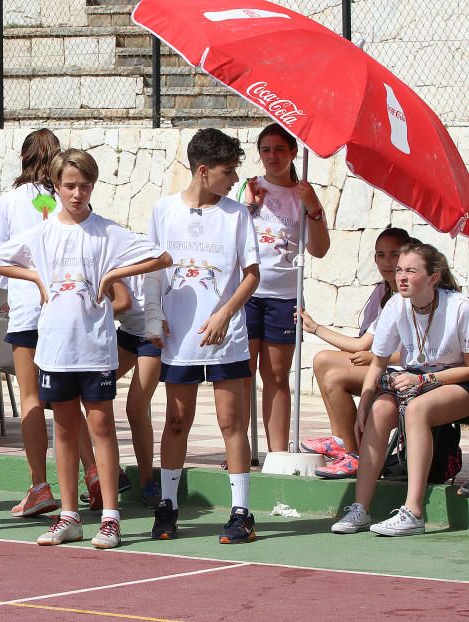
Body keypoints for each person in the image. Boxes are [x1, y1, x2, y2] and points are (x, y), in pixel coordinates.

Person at [0, 148, 170, 549]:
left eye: (84, 186)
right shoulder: (42, 232)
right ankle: (69, 515)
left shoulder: (107, 231)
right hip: (54, 348)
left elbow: (161, 256)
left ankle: (110, 518)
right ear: (55, 186)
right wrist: (34, 276)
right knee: (65, 429)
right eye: (69, 186)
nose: (76, 193)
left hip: (96, 347)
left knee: (101, 425)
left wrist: (115, 273)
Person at [144, 128, 260, 544]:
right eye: (229, 171)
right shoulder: (163, 211)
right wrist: (153, 316)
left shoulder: (237, 214)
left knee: (232, 422)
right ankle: (169, 505)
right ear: (204, 170)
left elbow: (251, 275)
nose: (234, 180)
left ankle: (242, 511)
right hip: (179, 339)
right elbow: (154, 269)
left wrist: (225, 313)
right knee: (177, 420)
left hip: (226, 337)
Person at [331, 244, 469, 536]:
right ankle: (360, 509)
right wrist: (364, 405)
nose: (402, 277)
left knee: (418, 409)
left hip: (456, 381)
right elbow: (377, 364)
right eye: (399, 271)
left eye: (411, 270)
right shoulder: (395, 304)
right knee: (380, 409)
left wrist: (425, 380)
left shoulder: (459, 307)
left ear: (433, 278)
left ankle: (413, 512)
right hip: (414, 379)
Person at [0, 128, 65, 517]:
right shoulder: (69, 195)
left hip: (27, 310)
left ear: (22, 158)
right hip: (65, 308)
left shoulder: (10, 201)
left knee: (31, 399)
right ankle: (98, 478)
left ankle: (39, 485)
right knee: (71, 399)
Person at [239, 123, 330, 453]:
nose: (272, 156)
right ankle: (239, 449)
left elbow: (319, 249)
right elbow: (234, 237)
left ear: (293, 152)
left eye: (280, 149)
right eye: (266, 150)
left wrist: (314, 208)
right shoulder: (249, 188)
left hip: (284, 296)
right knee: (241, 374)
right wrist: (248, 205)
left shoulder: (304, 193)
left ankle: (277, 453)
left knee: (276, 376)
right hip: (246, 294)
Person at [298, 227, 414, 478]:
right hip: (383, 363)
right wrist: (315, 327)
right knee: (322, 359)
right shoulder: (387, 295)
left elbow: (414, 354)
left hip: (404, 371)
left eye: (394, 255)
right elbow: (363, 344)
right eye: (380, 255)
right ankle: (340, 440)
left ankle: (355, 454)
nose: (387, 262)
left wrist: (375, 358)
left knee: (335, 377)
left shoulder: (411, 296)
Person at [115, 273, 165, 506]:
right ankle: (106, 473)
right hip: (126, 333)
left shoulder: (144, 251)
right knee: (86, 393)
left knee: (135, 409)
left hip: (151, 336)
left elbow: (123, 303)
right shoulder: (102, 255)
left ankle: (148, 480)